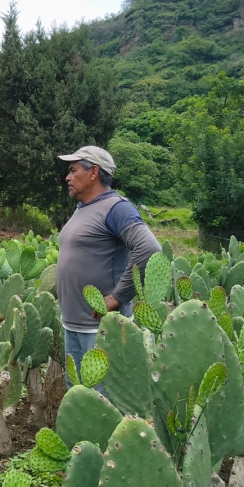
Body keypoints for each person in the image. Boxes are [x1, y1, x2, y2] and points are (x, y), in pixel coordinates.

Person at [55, 146, 161, 389]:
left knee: (106, 405)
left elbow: (150, 249)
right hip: (74, 325)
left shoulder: (117, 208)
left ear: (93, 172)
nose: (67, 177)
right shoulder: (83, 208)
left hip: (103, 330)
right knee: (81, 401)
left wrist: (117, 297)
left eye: (73, 170)